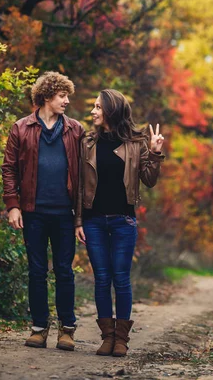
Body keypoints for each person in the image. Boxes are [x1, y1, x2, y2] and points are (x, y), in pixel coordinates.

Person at [75, 89, 164, 357]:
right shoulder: (88, 142)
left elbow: (149, 179)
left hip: (124, 221)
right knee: (102, 279)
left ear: (111, 110)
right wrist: (78, 220)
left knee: (121, 279)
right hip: (93, 221)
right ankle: (107, 337)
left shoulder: (137, 143)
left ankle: (122, 339)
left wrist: (156, 153)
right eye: (93, 107)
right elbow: (80, 186)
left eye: (98, 107)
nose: (93, 112)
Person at [2, 71, 85, 350]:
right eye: (63, 96)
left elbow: (85, 174)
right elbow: (9, 169)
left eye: (67, 96)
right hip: (33, 212)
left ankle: (67, 329)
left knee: (64, 271)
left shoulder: (75, 129)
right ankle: (39, 328)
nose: (67, 101)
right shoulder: (21, 128)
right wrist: (13, 205)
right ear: (47, 96)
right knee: (36, 271)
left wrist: (81, 217)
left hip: (65, 213)